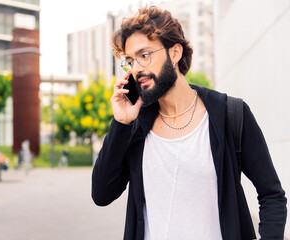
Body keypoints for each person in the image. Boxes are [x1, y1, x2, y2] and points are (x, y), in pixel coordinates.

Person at [91, 6, 287, 240]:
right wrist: (120, 123)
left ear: (174, 53)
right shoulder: (136, 125)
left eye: (144, 55)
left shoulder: (230, 115)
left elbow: (271, 195)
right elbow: (102, 195)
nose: (137, 69)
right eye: (130, 61)